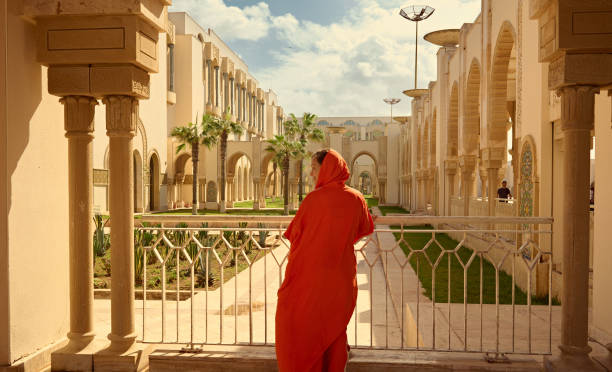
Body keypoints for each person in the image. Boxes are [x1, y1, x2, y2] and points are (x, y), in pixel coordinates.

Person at [275, 149, 375, 372]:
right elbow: (363, 228)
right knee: (334, 328)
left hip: (309, 277)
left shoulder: (312, 200)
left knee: (300, 324)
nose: (311, 173)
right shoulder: (357, 198)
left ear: (326, 168)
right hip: (340, 279)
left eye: (314, 168)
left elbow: (295, 236)